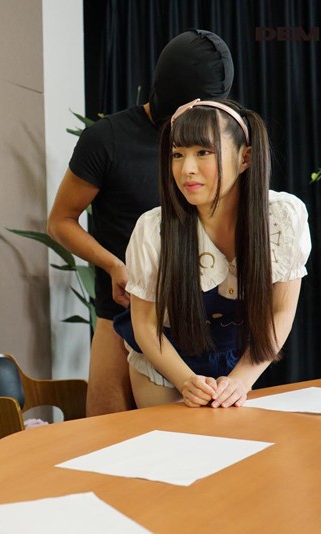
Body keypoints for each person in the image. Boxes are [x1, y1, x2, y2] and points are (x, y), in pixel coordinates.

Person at [47, 29, 234, 416]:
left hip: (199, 319)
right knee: (109, 434)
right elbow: (61, 221)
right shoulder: (107, 139)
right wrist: (114, 266)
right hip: (123, 311)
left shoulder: (222, 141)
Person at [122, 98, 311, 408]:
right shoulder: (153, 229)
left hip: (237, 358)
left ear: (245, 158)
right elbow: (145, 324)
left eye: (203, 152)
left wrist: (241, 380)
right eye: (177, 155)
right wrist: (185, 381)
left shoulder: (281, 218)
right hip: (165, 362)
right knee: (172, 438)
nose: (187, 169)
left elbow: (280, 311)